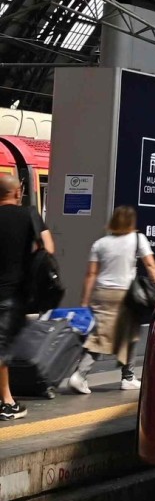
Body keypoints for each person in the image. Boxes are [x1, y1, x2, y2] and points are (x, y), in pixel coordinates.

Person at [69, 206, 155, 393]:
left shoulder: (100, 243)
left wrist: (84, 301)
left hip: (102, 293)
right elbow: (150, 264)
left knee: (102, 334)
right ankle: (86, 375)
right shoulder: (137, 239)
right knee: (129, 335)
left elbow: (91, 274)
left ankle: (120, 376)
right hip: (125, 294)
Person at [0, 176, 38, 419]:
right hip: (11, 293)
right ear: (17, 192)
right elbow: (47, 247)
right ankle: (6, 402)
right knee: (2, 347)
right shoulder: (28, 216)